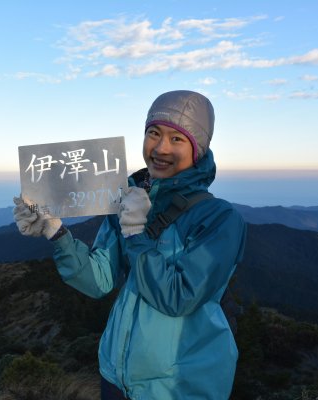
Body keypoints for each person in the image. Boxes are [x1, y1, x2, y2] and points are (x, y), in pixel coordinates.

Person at [13, 90, 246, 400]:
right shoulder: (128, 200)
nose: (161, 148)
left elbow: (179, 298)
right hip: (115, 377)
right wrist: (56, 233)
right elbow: (99, 281)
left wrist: (137, 234)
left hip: (177, 387)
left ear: (198, 150)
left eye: (177, 139)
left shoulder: (219, 219)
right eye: (154, 133)